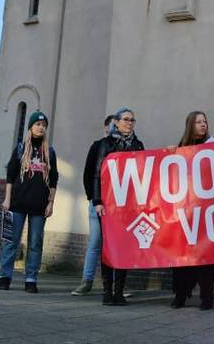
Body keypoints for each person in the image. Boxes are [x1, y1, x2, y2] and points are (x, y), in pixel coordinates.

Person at [83, 107, 145, 305]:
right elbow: (95, 174)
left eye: (132, 120)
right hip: (107, 205)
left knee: (124, 248)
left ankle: (119, 292)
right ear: (116, 122)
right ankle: (107, 292)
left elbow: (144, 173)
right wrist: (97, 201)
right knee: (108, 247)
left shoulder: (138, 144)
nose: (129, 122)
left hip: (127, 207)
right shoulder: (104, 144)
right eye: (125, 119)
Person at [0, 110, 58, 293]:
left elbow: (54, 180)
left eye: (44, 126)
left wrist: (50, 203)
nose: (41, 128)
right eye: (38, 124)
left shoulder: (50, 152)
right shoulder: (20, 148)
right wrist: (7, 199)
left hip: (39, 206)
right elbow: (10, 176)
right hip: (16, 203)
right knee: (11, 242)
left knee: (35, 244)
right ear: (31, 127)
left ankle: (31, 278)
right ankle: (5, 276)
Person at [169, 111, 214, 309]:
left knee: (206, 256)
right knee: (182, 256)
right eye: (198, 122)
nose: (203, 124)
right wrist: (169, 154)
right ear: (191, 125)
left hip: (206, 211)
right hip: (186, 211)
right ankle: (181, 294)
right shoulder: (181, 149)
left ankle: (207, 297)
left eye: (205, 121)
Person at [72, 114, 114, 296]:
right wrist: (92, 198)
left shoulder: (126, 147)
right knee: (95, 242)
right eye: (111, 125)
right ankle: (86, 281)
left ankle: (114, 285)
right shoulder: (98, 146)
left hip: (118, 207)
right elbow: (89, 173)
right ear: (106, 128)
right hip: (99, 202)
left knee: (116, 244)